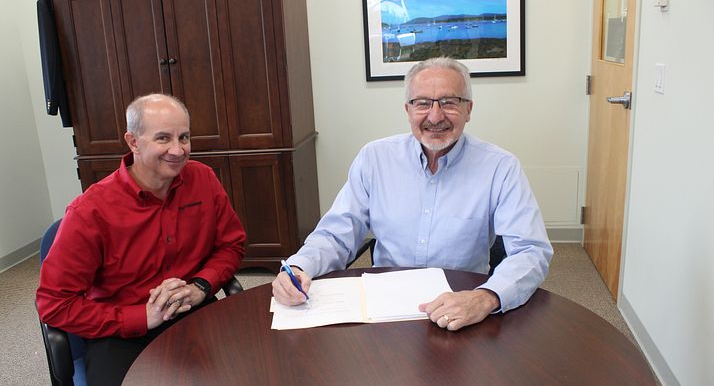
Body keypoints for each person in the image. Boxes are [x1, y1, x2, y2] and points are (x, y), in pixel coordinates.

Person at [272, 57, 553, 331]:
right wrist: (298, 267)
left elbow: (531, 250)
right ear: (407, 110)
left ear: (468, 109)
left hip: (461, 306)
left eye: (449, 102)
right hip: (382, 308)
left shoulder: (500, 167)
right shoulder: (374, 158)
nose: (435, 116)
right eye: (422, 103)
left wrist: (486, 297)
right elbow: (337, 233)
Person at [36, 94, 246, 385]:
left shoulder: (203, 179)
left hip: (194, 312)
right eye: (163, 138)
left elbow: (231, 245)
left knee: (255, 366)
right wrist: (140, 317)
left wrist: (201, 286)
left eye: (184, 137)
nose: (178, 150)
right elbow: (54, 304)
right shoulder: (91, 211)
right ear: (133, 142)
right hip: (122, 333)